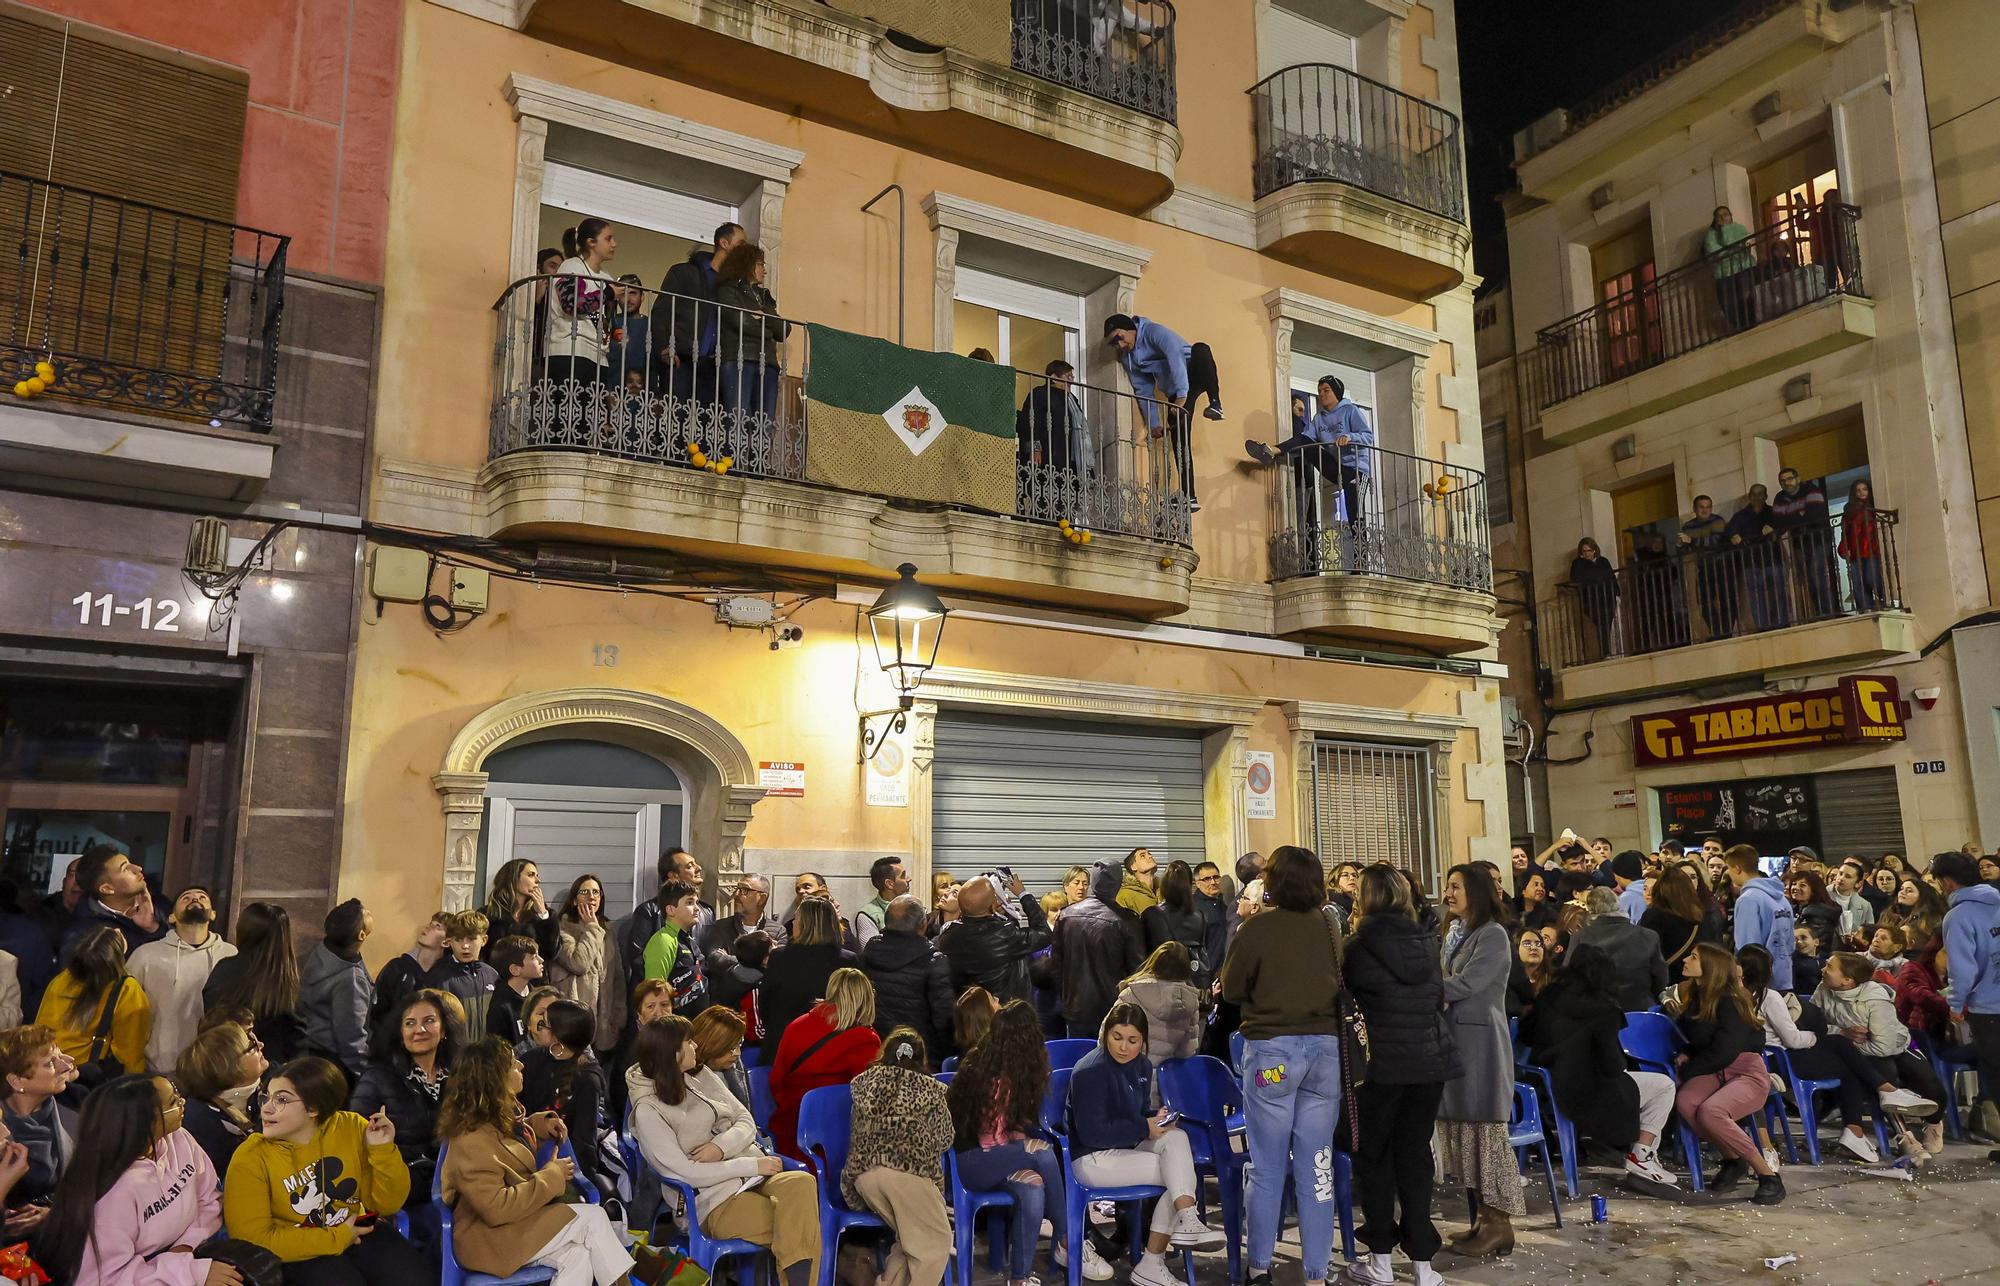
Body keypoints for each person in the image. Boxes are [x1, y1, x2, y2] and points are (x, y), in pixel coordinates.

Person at [1218, 845, 1344, 1284]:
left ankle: (1259, 1268)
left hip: (1272, 1060)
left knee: (1267, 1166)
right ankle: (1316, 1273)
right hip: (1325, 1057)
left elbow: (1231, 989)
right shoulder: (1330, 926)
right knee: (1317, 1166)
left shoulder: (1257, 928)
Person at [441, 1036, 660, 1286]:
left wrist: (538, 1124)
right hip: (489, 1238)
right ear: (494, 1079)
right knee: (593, 1220)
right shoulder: (471, 1139)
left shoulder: (494, 1115)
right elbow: (496, 1209)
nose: (521, 1066)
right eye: (513, 1064)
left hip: (515, 1226)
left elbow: (507, 1137)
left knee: (579, 1255)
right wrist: (550, 1177)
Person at [1338, 864, 1461, 1285]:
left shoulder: (1355, 948)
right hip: (1428, 1065)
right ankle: (1424, 1266)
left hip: (1379, 1068)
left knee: (1374, 1159)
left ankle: (1381, 1261)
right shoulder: (1428, 944)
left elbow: (1346, 1004)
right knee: (1414, 1156)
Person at [628, 1015, 820, 1285]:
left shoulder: (700, 1075)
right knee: (801, 1228)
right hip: (713, 1201)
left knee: (802, 1183)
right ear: (673, 1053)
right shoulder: (648, 1110)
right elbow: (685, 1173)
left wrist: (719, 1147)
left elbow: (746, 1121)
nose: (696, 1045)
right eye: (689, 1041)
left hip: (754, 1178)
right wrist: (751, 1166)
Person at [223, 1055, 430, 1281]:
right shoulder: (250, 1156)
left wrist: (382, 1150)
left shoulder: (351, 1127)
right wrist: (338, 1237)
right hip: (296, 1249)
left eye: (281, 1100)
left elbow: (388, 1204)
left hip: (358, 1227)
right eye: (266, 1098)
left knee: (414, 1279)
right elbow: (254, 1240)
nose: (266, 1109)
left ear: (313, 1108)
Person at [945, 1000, 1108, 1286]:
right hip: (971, 1161)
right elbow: (971, 1135)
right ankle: (1069, 1239)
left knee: (1033, 1186)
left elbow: (1016, 1126)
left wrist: (1018, 1146)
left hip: (1005, 1158)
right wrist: (1021, 1149)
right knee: (1042, 1154)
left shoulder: (1022, 1075)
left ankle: (1019, 1278)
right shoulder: (976, 1071)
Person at [1069, 1001, 1225, 1286]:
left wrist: (1156, 1118)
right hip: (1092, 1158)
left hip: (1125, 1148)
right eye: (1117, 1037)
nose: (1123, 1047)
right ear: (1106, 1035)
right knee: (1177, 1174)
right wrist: (1144, 1126)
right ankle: (1156, 1257)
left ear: (1142, 1041)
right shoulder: (1089, 1070)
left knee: (1177, 1138)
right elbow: (1093, 1134)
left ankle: (1184, 1220)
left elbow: (1134, 1114)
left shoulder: (1141, 1066)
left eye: (1132, 1040)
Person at [36, 1074, 228, 1286]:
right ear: (145, 1121)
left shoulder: (179, 1138)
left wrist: (186, 1247)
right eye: (173, 1101)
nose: (183, 1102)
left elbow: (210, 1198)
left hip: (194, 1253)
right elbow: (108, 1278)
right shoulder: (113, 1192)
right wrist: (188, 1272)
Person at [1524, 945, 1679, 1189]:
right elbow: (1611, 1067)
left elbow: (1526, 1034)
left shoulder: (1548, 995)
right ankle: (1642, 1154)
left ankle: (1641, 1156)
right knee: (1664, 1086)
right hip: (1591, 1091)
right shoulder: (1605, 1008)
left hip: (1546, 1085)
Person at [1739, 945, 1907, 1165]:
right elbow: (1793, 1040)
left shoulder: (1735, 994)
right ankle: (1879, 1097)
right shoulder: (1768, 997)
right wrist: (1816, 1035)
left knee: (1842, 1049)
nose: (1823, 969)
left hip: (1766, 1061)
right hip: (1781, 1063)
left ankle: (1861, 1123)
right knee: (1847, 1060)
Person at [1431, 862, 1522, 1256]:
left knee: (1485, 1131)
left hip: (1481, 1046)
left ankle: (1498, 1223)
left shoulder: (1493, 936)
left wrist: (1422, 988)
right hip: (1456, 1041)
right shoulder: (1454, 932)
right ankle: (1482, 1220)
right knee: (1464, 1132)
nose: (1448, 894)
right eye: (1448, 886)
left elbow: (1468, 983)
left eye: (1456, 887)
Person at [843, 1027, 954, 1286]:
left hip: (865, 1177)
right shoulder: (931, 1090)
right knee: (935, 1241)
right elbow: (945, 1137)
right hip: (907, 1175)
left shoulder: (864, 1084)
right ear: (922, 1058)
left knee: (910, 1239)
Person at [1672, 944, 1782, 1201]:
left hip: (1745, 1071)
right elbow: (1699, 1036)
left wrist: (1687, 1071)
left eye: (1694, 957)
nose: (1686, 959)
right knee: (1687, 1102)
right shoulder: (1698, 995)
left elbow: (1725, 1050)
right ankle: (1733, 1159)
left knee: (1712, 1111)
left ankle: (1767, 1175)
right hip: (1715, 1069)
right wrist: (1688, 1050)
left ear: (1710, 967)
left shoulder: (1730, 1000)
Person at [1816, 952, 1947, 1161]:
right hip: (1867, 1053)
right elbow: (1816, 1025)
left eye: (1829, 967)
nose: (1823, 969)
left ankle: (1933, 1123)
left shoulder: (1875, 999)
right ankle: (1905, 1137)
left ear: (1847, 980)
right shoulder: (1823, 989)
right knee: (1886, 1076)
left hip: (1897, 1046)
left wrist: (1850, 1049)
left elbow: (1883, 1046)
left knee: (1932, 1088)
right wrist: (1840, 1033)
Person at [350, 988, 456, 1206]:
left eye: (429, 1021)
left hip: (454, 1174)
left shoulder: (459, 1075)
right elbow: (356, 1139)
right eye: (410, 1023)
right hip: (404, 1182)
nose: (420, 1029)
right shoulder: (376, 1078)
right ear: (399, 1033)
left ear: (443, 1029)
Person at [1103, 313, 1222, 508]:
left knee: (1201, 348)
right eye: (1114, 343)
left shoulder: (1153, 332)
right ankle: (1189, 495)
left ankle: (1215, 403)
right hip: (1178, 392)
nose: (1120, 345)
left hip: (1192, 370)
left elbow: (1174, 355)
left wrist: (1182, 393)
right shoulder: (1128, 358)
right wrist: (1154, 423)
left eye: (1119, 338)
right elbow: (1143, 389)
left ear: (1130, 329)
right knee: (1179, 436)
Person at [768, 968, 880, 1161]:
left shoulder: (796, 1025)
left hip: (790, 1127)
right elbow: (870, 1097)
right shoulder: (864, 1038)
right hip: (837, 1138)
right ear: (866, 998)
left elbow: (777, 1080)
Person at [127, 885, 236, 1075]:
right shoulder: (146, 955)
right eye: (186, 898)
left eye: (202, 897)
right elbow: (125, 1010)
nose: (195, 899)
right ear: (172, 917)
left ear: (213, 915)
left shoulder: (230, 955)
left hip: (214, 1068)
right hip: (159, 1067)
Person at [1933, 851, 2000, 1142]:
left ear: (1947, 882)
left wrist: (1956, 1004)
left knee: (1997, 1075)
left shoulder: (1959, 916)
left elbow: (1962, 968)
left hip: (1989, 1008)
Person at [519, 999, 616, 1199]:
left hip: (563, 1165)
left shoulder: (587, 1077)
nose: (538, 1028)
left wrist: (582, 1183)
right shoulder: (529, 1061)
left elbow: (584, 1142)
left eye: (544, 1024)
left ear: (560, 1035)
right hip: (524, 1157)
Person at [654, 222, 748, 424]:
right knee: (677, 420)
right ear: (724, 243)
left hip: (713, 366)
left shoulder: (733, 287)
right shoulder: (684, 273)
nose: (745, 250)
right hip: (682, 358)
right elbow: (662, 311)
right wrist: (664, 346)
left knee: (706, 426)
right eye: (741, 244)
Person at [36, 924, 149, 1086]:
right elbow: (130, 1054)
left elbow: (41, 1030)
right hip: (90, 1080)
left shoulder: (62, 980)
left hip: (51, 1074)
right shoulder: (126, 989)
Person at [205, 902, 306, 1066]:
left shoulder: (224, 969)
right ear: (283, 936)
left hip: (224, 1065)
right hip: (271, 1070)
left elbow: (210, 1015)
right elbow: (298, 1038)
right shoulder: (285, 979)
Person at [758, 898, 862, 1056]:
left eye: (796, 918)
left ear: (805, 924)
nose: (793, 923)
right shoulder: (849, 960)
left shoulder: (780, 957)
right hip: (833, 1048)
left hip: (785, 1047)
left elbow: (765, 1003)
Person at [1053, 860, 1143, 1041]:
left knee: (1077, 1063)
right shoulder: (1127, 921)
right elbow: (1138, 970)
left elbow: (1056, 964)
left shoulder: (1066, 915)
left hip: (1075, 1007)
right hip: (1113, 1009)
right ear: (1118, 883)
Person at [859, 896, 955, 1060]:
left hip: (877, 1050)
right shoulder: (934, 961)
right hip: (920, 1054)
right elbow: (944, 1017)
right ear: (923, 925)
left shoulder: (868, 953)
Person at [934, 877, 1048, 1006]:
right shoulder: (1004, 935)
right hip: (1001, 1012)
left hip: (968, 1012)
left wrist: (996, 915)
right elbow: (1044, 933)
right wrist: (1023, 894)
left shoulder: (947, 935)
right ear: (991, 905)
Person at [177, 1019, 268, 1179]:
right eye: (251, 1046)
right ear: (230, 1067)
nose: (260, 1045)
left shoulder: (273, 1084)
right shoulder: (198, 1123)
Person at [1, 1024, 76, 1219]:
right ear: (16, 1081)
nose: (66, 1066)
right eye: (51, 1063)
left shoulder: (77, 1116)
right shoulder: (1, 1133)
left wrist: (51, 1215)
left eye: (60, 1056)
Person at [714, 241, 788, 436]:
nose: (764, 270)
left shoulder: (764, 298)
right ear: (748, 264)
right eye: (761, 264)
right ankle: (735, 463)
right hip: (740, 358)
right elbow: (740, 322)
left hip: (768, 363)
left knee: (765, 422)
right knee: (738, 416)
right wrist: (767, 327)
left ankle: (758, 464)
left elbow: (784, 330)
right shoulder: (729, 290)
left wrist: (762, 314)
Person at [299, 899, 375, 1081]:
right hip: (336, 1062)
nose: (369, 912)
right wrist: (364, 1074)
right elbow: (351, 1035)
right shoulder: (350, 979)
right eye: (366, 914)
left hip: (312, 1049)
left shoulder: (324, 949)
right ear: (361, 935)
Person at [544, 218, 619, 398]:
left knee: (589, 421)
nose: (614, 244)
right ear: (591, 243)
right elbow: (572, 304)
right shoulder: (571, 266)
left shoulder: (606, 277)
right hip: (569, 350)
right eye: (608, 239)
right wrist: (607, 294)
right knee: (566, 417)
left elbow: (607, 319)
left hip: (598, 355)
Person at [551, 876, 625, 1056]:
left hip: (604, 1028)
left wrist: (618, 1017)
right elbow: (578, 963)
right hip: (574, 1026)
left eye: (596, 892)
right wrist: (592, 927)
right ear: (575, 900)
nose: (591, 897)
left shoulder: (608, 933)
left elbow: (618, 978)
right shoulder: (562, 930)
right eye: (584, 892)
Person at [1016, 361, 1096, 524]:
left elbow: (1081, 432)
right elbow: (1031, 423)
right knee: (1045, 497)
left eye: (1072, 377)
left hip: (1069, 462)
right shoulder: (1039, 394)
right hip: (1048, 458)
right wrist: (1035, 447)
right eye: (1068, 376)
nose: (1072, 381)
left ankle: (1068, 525)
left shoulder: (1072, 400)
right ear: (1053, 377)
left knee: (1068, 502)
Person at [1565, 887, 1667, 1014]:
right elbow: (1660, 979)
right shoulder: (1649, 936)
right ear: (1618, 905)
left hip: (1595, 1015)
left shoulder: (1580, 937)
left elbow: (1568, 978)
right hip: (1639, 1012)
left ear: (1590, 910)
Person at [1726, 845, 1796, 990]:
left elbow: (1747, 947)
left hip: (1758, 983)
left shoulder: (1748, 899)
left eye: (1729, 868)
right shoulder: (1782, 898)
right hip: (1784, 977)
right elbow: (1790, 943)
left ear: (1737, 869)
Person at [1772, 466, 1836, 619]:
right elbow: (1778, 524)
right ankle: (1820, 611)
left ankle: (1828, 612)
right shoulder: (1780, 498)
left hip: (1819, 539)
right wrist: (1798, 517)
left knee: (1817, 575)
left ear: (1798, 478)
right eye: (1783, 481)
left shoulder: (1811, 490)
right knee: (1808, 578)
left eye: (1790, 479)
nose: (1787, 483)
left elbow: (1814, 515)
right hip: (1799, 543)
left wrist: (1790, 519)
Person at [370, 911, 448, 1033]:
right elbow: (377, 1011)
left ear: (446, 942)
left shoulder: (447, 975)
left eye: (437, 926)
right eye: (430, 923)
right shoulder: (397, 967)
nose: (428, 927)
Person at [1726, 484, 1787, 631]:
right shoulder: (1740, 516)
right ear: (1749, 497)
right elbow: (1730, 531)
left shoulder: (1773, 512)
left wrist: (1774, 530)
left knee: (1778, 592)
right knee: (1755, 596)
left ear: (1765, 496)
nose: (1757, 497)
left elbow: (1784, 527)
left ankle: (1782, 623)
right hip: (1750, 561)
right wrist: (1734, 535)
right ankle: (1762, 626)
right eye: (1753, 494)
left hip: (1772, 558)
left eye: (1760, 494)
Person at [484, 859, 562, 968]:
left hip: (534, 983)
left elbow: (552, 953)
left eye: (537, 875)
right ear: (513, 878)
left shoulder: (544, 916)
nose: (538, 880)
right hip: (498, 981)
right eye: (531, 875)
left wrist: (542, 914)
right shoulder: (488, 915)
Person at [1639, 864, 1709, 984]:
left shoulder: (1653, 916)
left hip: (1666, 981)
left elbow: (1646, 954)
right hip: (1693, 980)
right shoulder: (1700, 915)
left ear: (1659, 889)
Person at [1679, 495, 1735, 639]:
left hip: (1721, 564)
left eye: (1708, 507)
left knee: (1726, 599)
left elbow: (1714, 542)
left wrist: (1691, 540)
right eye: (1701, 507)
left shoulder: (1717, 521)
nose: (1705, 510)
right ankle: (1717, 632)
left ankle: (1727, 632)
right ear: (1694, 509)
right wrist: (1680, 545)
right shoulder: (1688, 526)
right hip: (1703, 567)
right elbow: (1685, 550)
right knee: (1704, 602)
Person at [438, 911, 501, 1037]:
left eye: (471, 939)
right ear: (449, 942)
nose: (465, 946)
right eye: (458, 940)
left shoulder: (492, 975)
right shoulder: (439, 977)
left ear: (484, 940)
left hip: (488, 1052)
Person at [1837, 479, 1891, 612]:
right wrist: (1844, 549)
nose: (1861, 493)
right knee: (1858, 583)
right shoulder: (1849, 510)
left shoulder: (1873, 506)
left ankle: (1882, 601)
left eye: (1864, 489)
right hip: (1855, 551)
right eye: (1858, 490)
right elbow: (1845, 532)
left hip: (1871, 549)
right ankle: (1866, 608)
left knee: (1871, 577)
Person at [702, 873, 786, 958]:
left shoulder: (778, 931)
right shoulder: (720, 927)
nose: (736, 894)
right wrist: (761, 960)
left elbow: (777, 964)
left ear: (762, 898)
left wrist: (728, 958)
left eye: (744, 890)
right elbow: (715, 962)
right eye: (737, 888)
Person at [710, 931, 771, 1044]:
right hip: (741, 1042)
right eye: (772, 948)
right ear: (765, 959)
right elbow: (755, 1032)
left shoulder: (734, 969)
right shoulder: (754, 988)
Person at [689, 1004, 753, 1109]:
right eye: (731, 1048)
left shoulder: (735, 1064)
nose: (738, 1053)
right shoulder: (688, 1081)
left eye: (739, 1044)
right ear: (710, 1045)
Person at [1703, 205, 1755, 331]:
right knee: (1728, 304)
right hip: (1723, 274)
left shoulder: (1739, 228)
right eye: (1719, 216)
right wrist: (1732, 250)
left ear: (1731, 216)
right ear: (1715, 220)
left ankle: (1750, 323)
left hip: (1742, 268)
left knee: (1746, 297)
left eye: (1725, 214)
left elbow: (1743, 245)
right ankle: (1738, 325)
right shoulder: (1711, 236)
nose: (1722, 218)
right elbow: (1715, 253)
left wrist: (1726, 234)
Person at [1569, 537, 1620, 661]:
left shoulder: (1603, 561)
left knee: (1606, 623)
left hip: (1607, 597)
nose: (1587, 554)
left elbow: (1611, 577)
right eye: (1584, 551)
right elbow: (1576, 579)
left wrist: (1616, 592)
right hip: (1591, 599)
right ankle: (1605, 652)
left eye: (1589, 550)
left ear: (1594, 550)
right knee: (1601, 622)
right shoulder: (1578, 563)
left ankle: (1606, 652)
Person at [855, 857, 912, 949]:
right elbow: (873, 952)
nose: (909, 879)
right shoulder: (867, 915)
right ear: (889, 884)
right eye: (903, 876)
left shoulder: (913, 907)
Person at [1879, 876, 1947, 951]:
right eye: (1901, 889)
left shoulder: (1930, 920)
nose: (1902, 892)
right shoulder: (1888, 913)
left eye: (1909, 891)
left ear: (1922, 897)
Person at [1787, 871, 1842, 952]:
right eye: (1794, 884)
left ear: (1814, 891)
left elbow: (1810, 945)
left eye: (1802, 885)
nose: (1795, 888)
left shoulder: (1818, 914)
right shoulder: (1794, 909)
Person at [1507, 927, 1553, 1022]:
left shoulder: (1554, 980)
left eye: (1538, 944)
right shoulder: (1507, 982)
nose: (1533, 947)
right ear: (1516, 949)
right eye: (1527, 943)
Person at [953, 986, 999, 1057]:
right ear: (985, 1017)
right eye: (993, 999)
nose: (997, 999)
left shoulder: (967, 1059)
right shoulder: (1000, 1056)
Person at [1116, 848, 1162, 918]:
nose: (1150, 856)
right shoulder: (1125, 896)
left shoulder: (1163, 892)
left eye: (1149, 854)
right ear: (1133, 867)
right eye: (1143, 856)